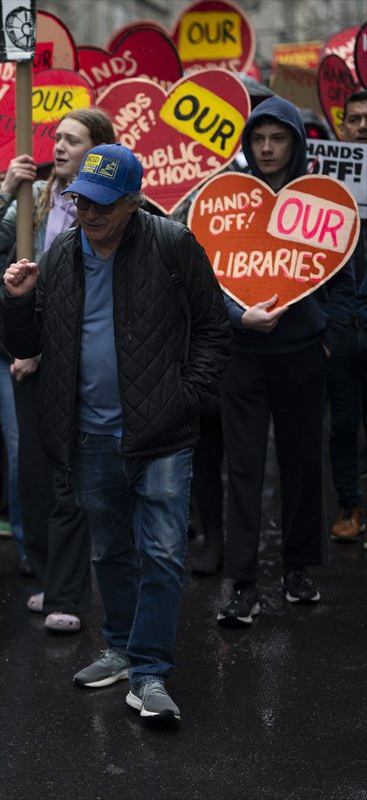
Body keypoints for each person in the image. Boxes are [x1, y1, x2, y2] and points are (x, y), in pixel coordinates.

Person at [1, 143, 231, 722]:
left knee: (161, 553)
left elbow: (212, 326)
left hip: (162, 433)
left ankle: (150, 671)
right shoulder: (57, 254)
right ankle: (122, 647)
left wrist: (189, 398)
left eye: (103, 204)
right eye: (81, 201)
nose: (89, 213)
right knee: (109, 551)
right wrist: (16, 301)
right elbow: (26, 347)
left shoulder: (171, 243)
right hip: (88, 435)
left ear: (133, 202)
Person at [0, 108, 116, 630]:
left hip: (89, 350)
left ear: (97, 150)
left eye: (72, 140)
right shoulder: (36, 198)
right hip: (33, 352)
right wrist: (5, 189)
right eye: (57, 136)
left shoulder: (110, 205)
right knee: (34, 466)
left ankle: (74, 590)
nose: (57, 146)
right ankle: (54, 577)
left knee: (75, 473)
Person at [217, 97, 356, 625]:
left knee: (302, 466)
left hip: (303, 355)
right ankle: (243, 584)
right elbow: (210, 278)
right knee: (244, 470)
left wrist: (327, 339)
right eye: (258, 139)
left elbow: (344, 280)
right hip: (243, 357)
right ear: (248, 144)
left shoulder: (322, 202)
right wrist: (236, 320)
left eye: (278, 138)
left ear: (296, 143)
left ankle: (299, 567)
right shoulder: (229, 203)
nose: (268, 148)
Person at [327, 88, 367, 544]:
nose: (361, 126)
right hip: (341, 329)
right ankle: (349, 506)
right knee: (341, 425)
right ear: (342, 126)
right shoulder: (328, 186)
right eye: (354, 119)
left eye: (366, 119)